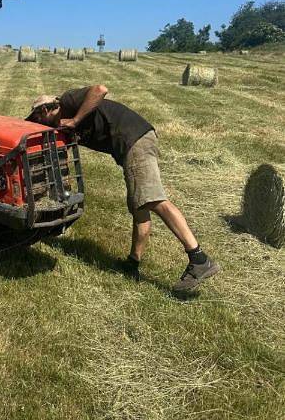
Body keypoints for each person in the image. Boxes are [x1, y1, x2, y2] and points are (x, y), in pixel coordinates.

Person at [25, 86, 220, 296]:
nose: (37, 123)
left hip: (133, 140)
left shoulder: (68, 101)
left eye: (36, 118)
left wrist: (75, 120)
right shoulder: (63, 126)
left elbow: (100, 89)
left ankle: (199, 258)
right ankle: (132, 263)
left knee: (152, 200)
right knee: (139, 206)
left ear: (45, 110)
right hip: (132, 143)